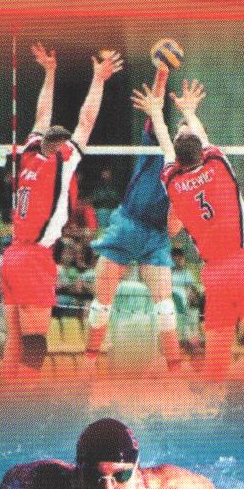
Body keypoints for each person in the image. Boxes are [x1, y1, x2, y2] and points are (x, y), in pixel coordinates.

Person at [0, 41, 119, 378]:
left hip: (13, 254)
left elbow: (42, 115)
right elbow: (86, 122)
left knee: (15, 343)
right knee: (35, 346)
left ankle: (7, 402)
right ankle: (28, 404)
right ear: (60, 149)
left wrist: (50, 72)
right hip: (33, 258)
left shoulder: (29, 154)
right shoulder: (61, 163)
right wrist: (98, 79)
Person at [144, 71, 244, 377]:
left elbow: (166, 146)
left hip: (214, 274)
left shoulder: (172, 182)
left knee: (215, 369)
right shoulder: (219, 165)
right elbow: (198, 137)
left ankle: (206, 402)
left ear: (177, 158)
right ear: (202, 151)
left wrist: (156, 113)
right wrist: (189, 111)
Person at [85, 66, 183, 368]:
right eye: (179, 131)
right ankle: (89, 362)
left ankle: (174, 370)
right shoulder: (156, 144)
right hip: (127, 225)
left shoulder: (189, 179)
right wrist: (162, 74)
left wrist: (176, 204)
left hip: (156, 236)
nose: (181, 136)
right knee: (102, 304)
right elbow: (156, 106)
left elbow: (174, 229)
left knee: (165, 308)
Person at [0, 412, 232, 489]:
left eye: (121, 476)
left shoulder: (167, 486)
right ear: (78, 476)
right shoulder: (53, 484)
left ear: (137, 474)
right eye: (94, 477)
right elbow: (13, 477)